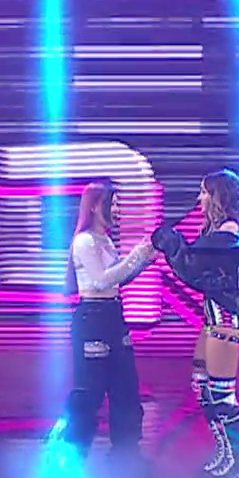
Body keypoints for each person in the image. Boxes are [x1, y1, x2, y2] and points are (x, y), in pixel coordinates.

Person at [152, 169, 239, 477]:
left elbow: (192, 266)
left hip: (225, 321)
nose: (199, 198)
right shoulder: (230, 231)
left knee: (223, 395)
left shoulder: (230, 233)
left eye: (204, 192)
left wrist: (169, 242)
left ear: (218, 197)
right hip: (214, 320)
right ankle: (226, 451)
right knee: (202, 386)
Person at [64, 178, 156, 457]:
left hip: (114, 316)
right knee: (90, 389)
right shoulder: (84, 241)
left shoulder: (105, 241)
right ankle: (74, 449)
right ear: (94, 206)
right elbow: (101, 280)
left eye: (118, 204)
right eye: (112, 204)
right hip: (93, 319)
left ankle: (126, 450)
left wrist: (142, 261)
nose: (117, 209)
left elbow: (117, 280)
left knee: (125, 385)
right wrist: (135, 256)